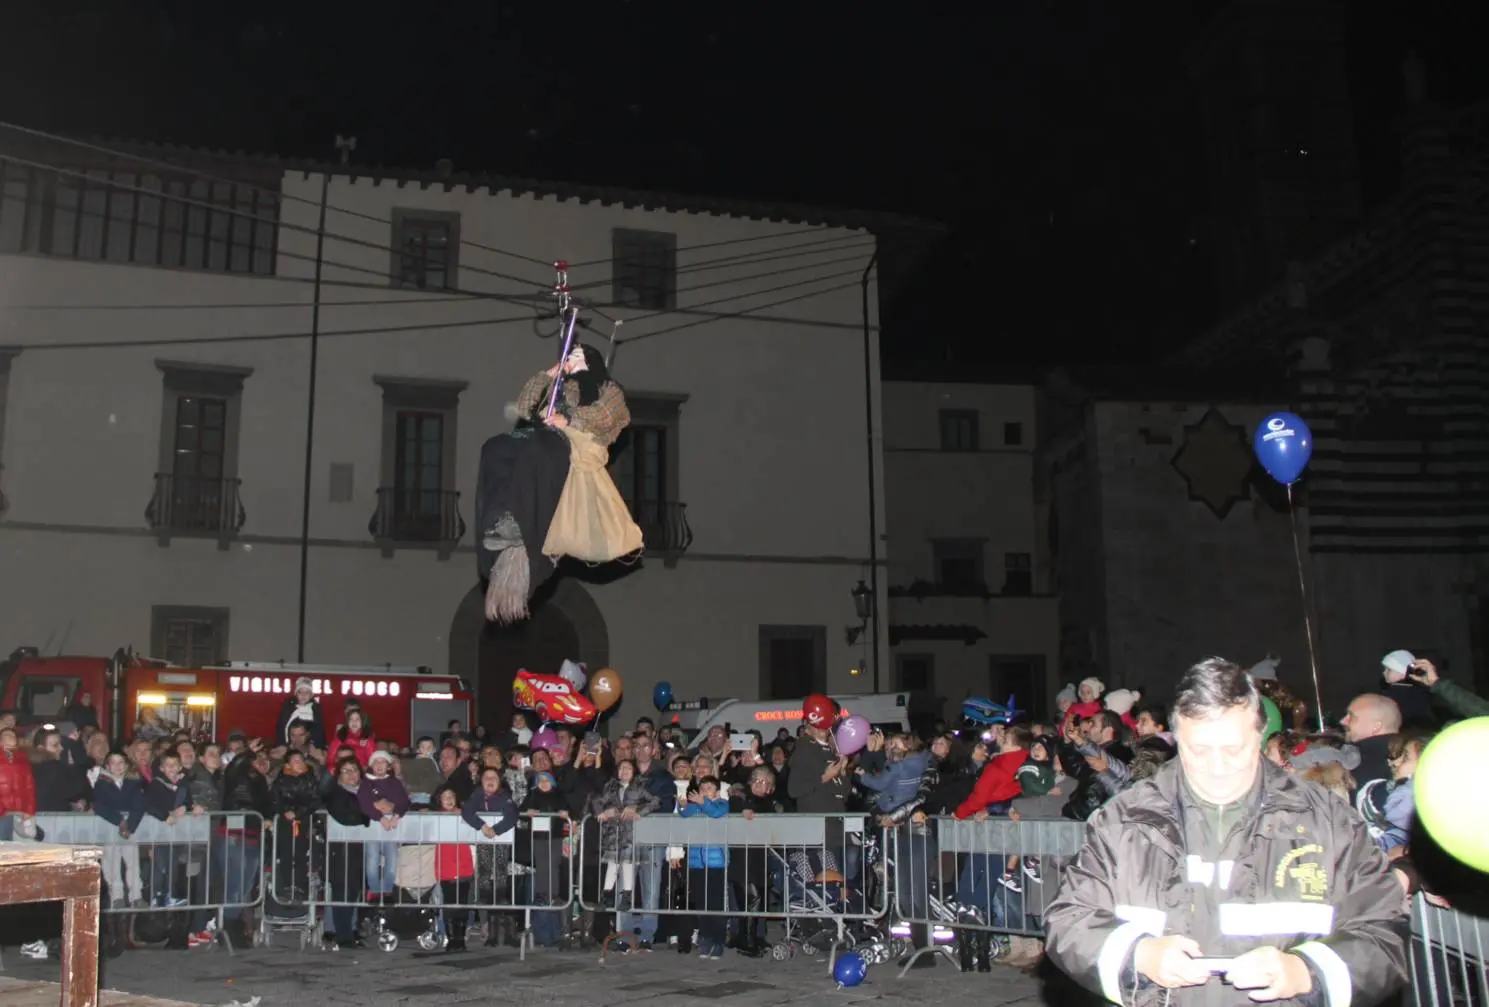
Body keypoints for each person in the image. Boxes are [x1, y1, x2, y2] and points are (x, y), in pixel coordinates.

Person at [1044, 657, 1408, 1007]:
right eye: (1198, 751)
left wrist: (1305, 972)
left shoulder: (1327, 821)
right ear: (1177, 738)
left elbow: (1383, 933)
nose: (1217, 768)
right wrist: (1138, 954)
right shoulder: (1124, 820)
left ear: (1260, 733)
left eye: (1234, 749)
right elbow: (1070, 921)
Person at [477, 343, 640, 623]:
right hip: (542, 438)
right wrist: (549, 374)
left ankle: (521, 523)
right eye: (569, 357)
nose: (571, 362)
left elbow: (607, 416)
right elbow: (526, 405)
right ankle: (502, 519)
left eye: (577, 357)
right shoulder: (558, 387)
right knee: (495, 447)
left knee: (537, 448)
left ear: (591, 361)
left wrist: (570, 419)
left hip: (577, 445)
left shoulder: (607, 389)